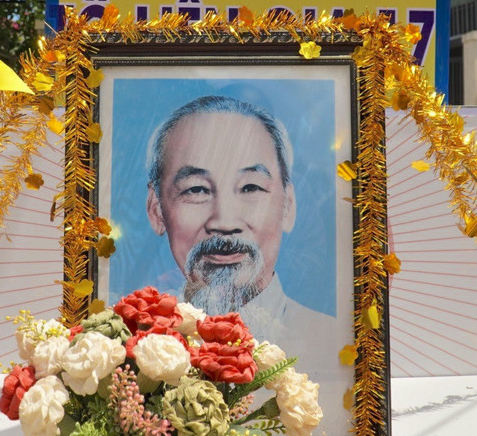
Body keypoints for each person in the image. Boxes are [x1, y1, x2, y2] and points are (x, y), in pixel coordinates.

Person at [143, 94, 339, 346]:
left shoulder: (333, 346)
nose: (224, 222)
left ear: (288, 206)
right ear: (156, 209)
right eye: (196, 190)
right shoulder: (130, 345)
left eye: (250, 188)